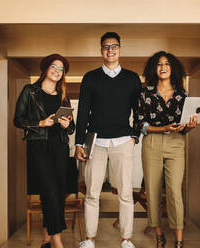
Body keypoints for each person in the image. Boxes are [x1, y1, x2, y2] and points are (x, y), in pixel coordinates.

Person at [75, 32, 142, 248]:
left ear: (120, 49)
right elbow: (83, 112)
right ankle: (90, 239)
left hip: (123, 141)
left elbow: (139, 110)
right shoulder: (90, 77)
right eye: (106, 47)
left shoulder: (132, 78)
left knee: (125, 193)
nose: (110, 50)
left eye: (114, 46)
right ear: (101, 50)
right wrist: (79, 143)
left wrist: (135, 135)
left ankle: (126, 239)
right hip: (95, 142)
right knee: (92, 193)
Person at [134, 51, 197, 248]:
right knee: (152, 191)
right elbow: (140, 124)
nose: (163, 67)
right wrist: (162, 128)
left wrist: (190, 126)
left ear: (173, 68)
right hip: (152, 142)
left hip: (176, 143)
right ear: (154, 68)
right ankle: (159, 235)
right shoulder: (145, 93)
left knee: (174, 192)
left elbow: (185, 124)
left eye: (167, 64)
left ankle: (179, 240)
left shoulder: (182, 94)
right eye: (159, 64)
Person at [13, 54, 75, 248]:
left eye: (61, 69)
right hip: (38, 146)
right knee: (48, 190)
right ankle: (57, 240)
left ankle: (47, 237)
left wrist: (67, 126)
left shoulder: (63, 96)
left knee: (58, 191)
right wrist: (40, 123)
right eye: (54, 67)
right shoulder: (30, 91)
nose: (57, 71)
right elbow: (18, 119)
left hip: (60, 147)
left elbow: (72, 128)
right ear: (46, 69)